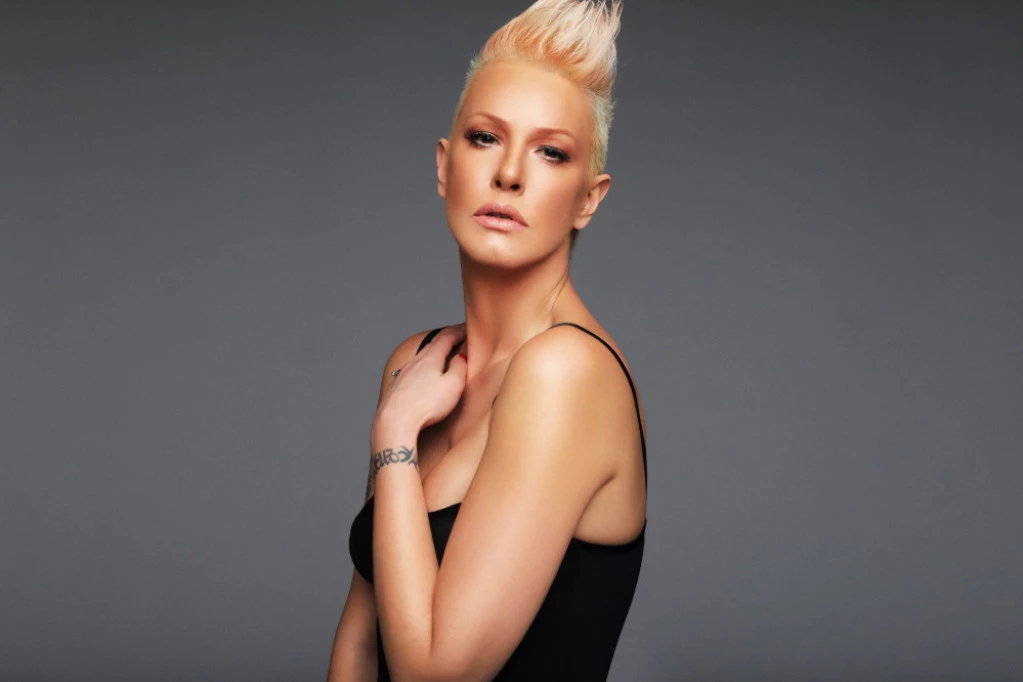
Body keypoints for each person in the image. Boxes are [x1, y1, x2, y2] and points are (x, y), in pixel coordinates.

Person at [326, 1, 646, 680]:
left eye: (551, 152)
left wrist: (394, 437)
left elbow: (433, 673)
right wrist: (399, 428)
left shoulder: (567, 372)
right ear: (445, 167)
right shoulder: (417, 364)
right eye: (484, 138)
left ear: (589, 198)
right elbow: (360, 642)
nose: (509, 174)